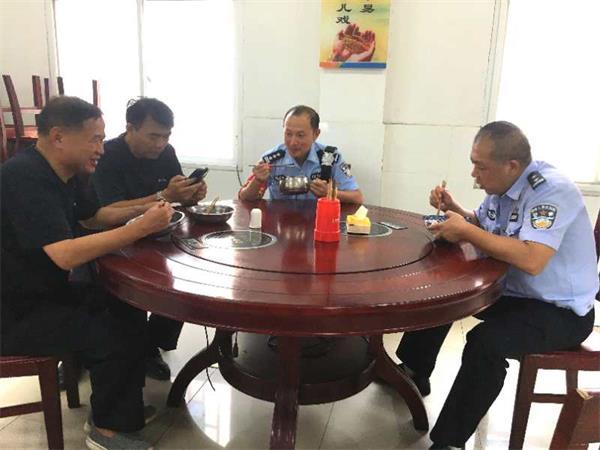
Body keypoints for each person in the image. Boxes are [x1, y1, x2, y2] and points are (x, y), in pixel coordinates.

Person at [395, 121, 598, 449]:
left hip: (560, 311)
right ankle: (414, 370)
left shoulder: (550, 191)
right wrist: (455, 210)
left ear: (511, 166)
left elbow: (532, 258)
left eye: (481, 166)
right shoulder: (503, 189)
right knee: (442, 293)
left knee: (486, 343)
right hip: (514, 292)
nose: (474, 174)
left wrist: (466, 231)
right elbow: (484, 224)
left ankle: (449, 442)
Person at [1, 96, 173, 449]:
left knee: (126, 306)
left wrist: (147, 209)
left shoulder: (67, 171)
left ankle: (120, 413)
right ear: (58, 137)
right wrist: (140, 228)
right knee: (111, 331)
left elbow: (94, 217)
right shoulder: (23, 177)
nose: (101, 149)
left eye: (102, 139)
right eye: (95, 140)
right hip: (14, 311)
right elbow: (64, 255)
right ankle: (106, 431)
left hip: (43, 293)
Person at [93, 97, 206, 381]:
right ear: (130, 128)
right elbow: (107, 211)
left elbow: (176, 196)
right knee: (127, 292)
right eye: (153, 136)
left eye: (166, 136)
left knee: (185, 281)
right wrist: (164, 196)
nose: (160, 143)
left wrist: (191, 193)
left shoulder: (166, 152)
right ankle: (124, 350)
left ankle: (151, 345)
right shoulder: (107, 156)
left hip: (159, 234)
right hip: (116, 239)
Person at [239, 105, 363, 204]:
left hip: (318, 221)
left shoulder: (330, 157)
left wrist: (329, 193)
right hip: (280, 223)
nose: (293, 142)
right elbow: (244, 198)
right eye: (288, 134)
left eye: (300, 135)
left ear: (316, 134)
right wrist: (257, 180)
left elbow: (357, 197)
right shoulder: (271, 159)